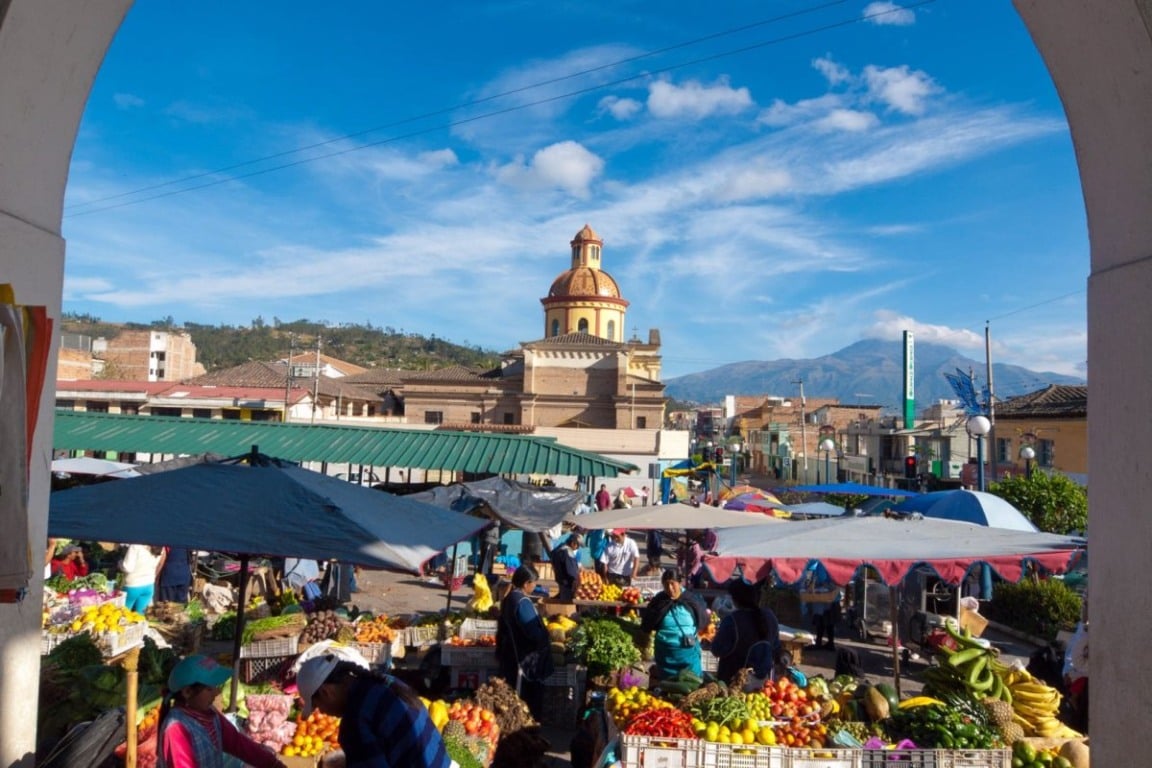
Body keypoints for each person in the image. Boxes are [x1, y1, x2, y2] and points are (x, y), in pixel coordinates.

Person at [296, 654, 451, 768]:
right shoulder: (386, 681)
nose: (322, 712)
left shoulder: (355, 720)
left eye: (318, 706)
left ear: (326, 692)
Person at [157, 654, 286, 768]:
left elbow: (237, 743)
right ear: (187, 692)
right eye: (209, 689)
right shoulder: (176, 728)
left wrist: (272, 764)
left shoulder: (210, 714)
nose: (217, 692)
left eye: (216, 687)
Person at [495, 565, 553, 719]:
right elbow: (533, 632)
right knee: (528, 703)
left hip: (513, 656)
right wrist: (546, 634)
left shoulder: (511, 597)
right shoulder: (521, 602)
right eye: (534, 583)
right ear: (526, 583)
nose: (535, 586)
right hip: (524, 660)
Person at [640, 568, 709, 680]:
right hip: (666, 653)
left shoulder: (691, 599)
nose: (670, 588)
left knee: (692, 683)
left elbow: (703, 619)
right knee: (668, 686)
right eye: (666, 585)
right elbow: (648, 622)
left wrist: (698, 635)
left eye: (673, 584)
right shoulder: (659, 601)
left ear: (680, 583)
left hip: (688, 652)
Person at [710, 579, 780, 685]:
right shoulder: (770, 616)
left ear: (735, 600)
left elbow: (717, 650)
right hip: (764, 682)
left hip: (733, 683)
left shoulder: (732, 620)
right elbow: (776, 647)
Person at [120, 544, 165, 613]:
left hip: (133, 585)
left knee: (123, 614)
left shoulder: (135, 546)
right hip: (149, 585)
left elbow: (127, 568)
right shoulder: (160, 546)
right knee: (140, 616)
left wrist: (119, 563)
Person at [550, 533, 583, 601]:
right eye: (578, 546)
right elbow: (571, 571)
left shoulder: (559, 548)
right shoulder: (568, 552)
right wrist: (576, 580)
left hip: (560, 580)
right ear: (573, 543)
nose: (577, 548)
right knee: (567, 604)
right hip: (567, 583)